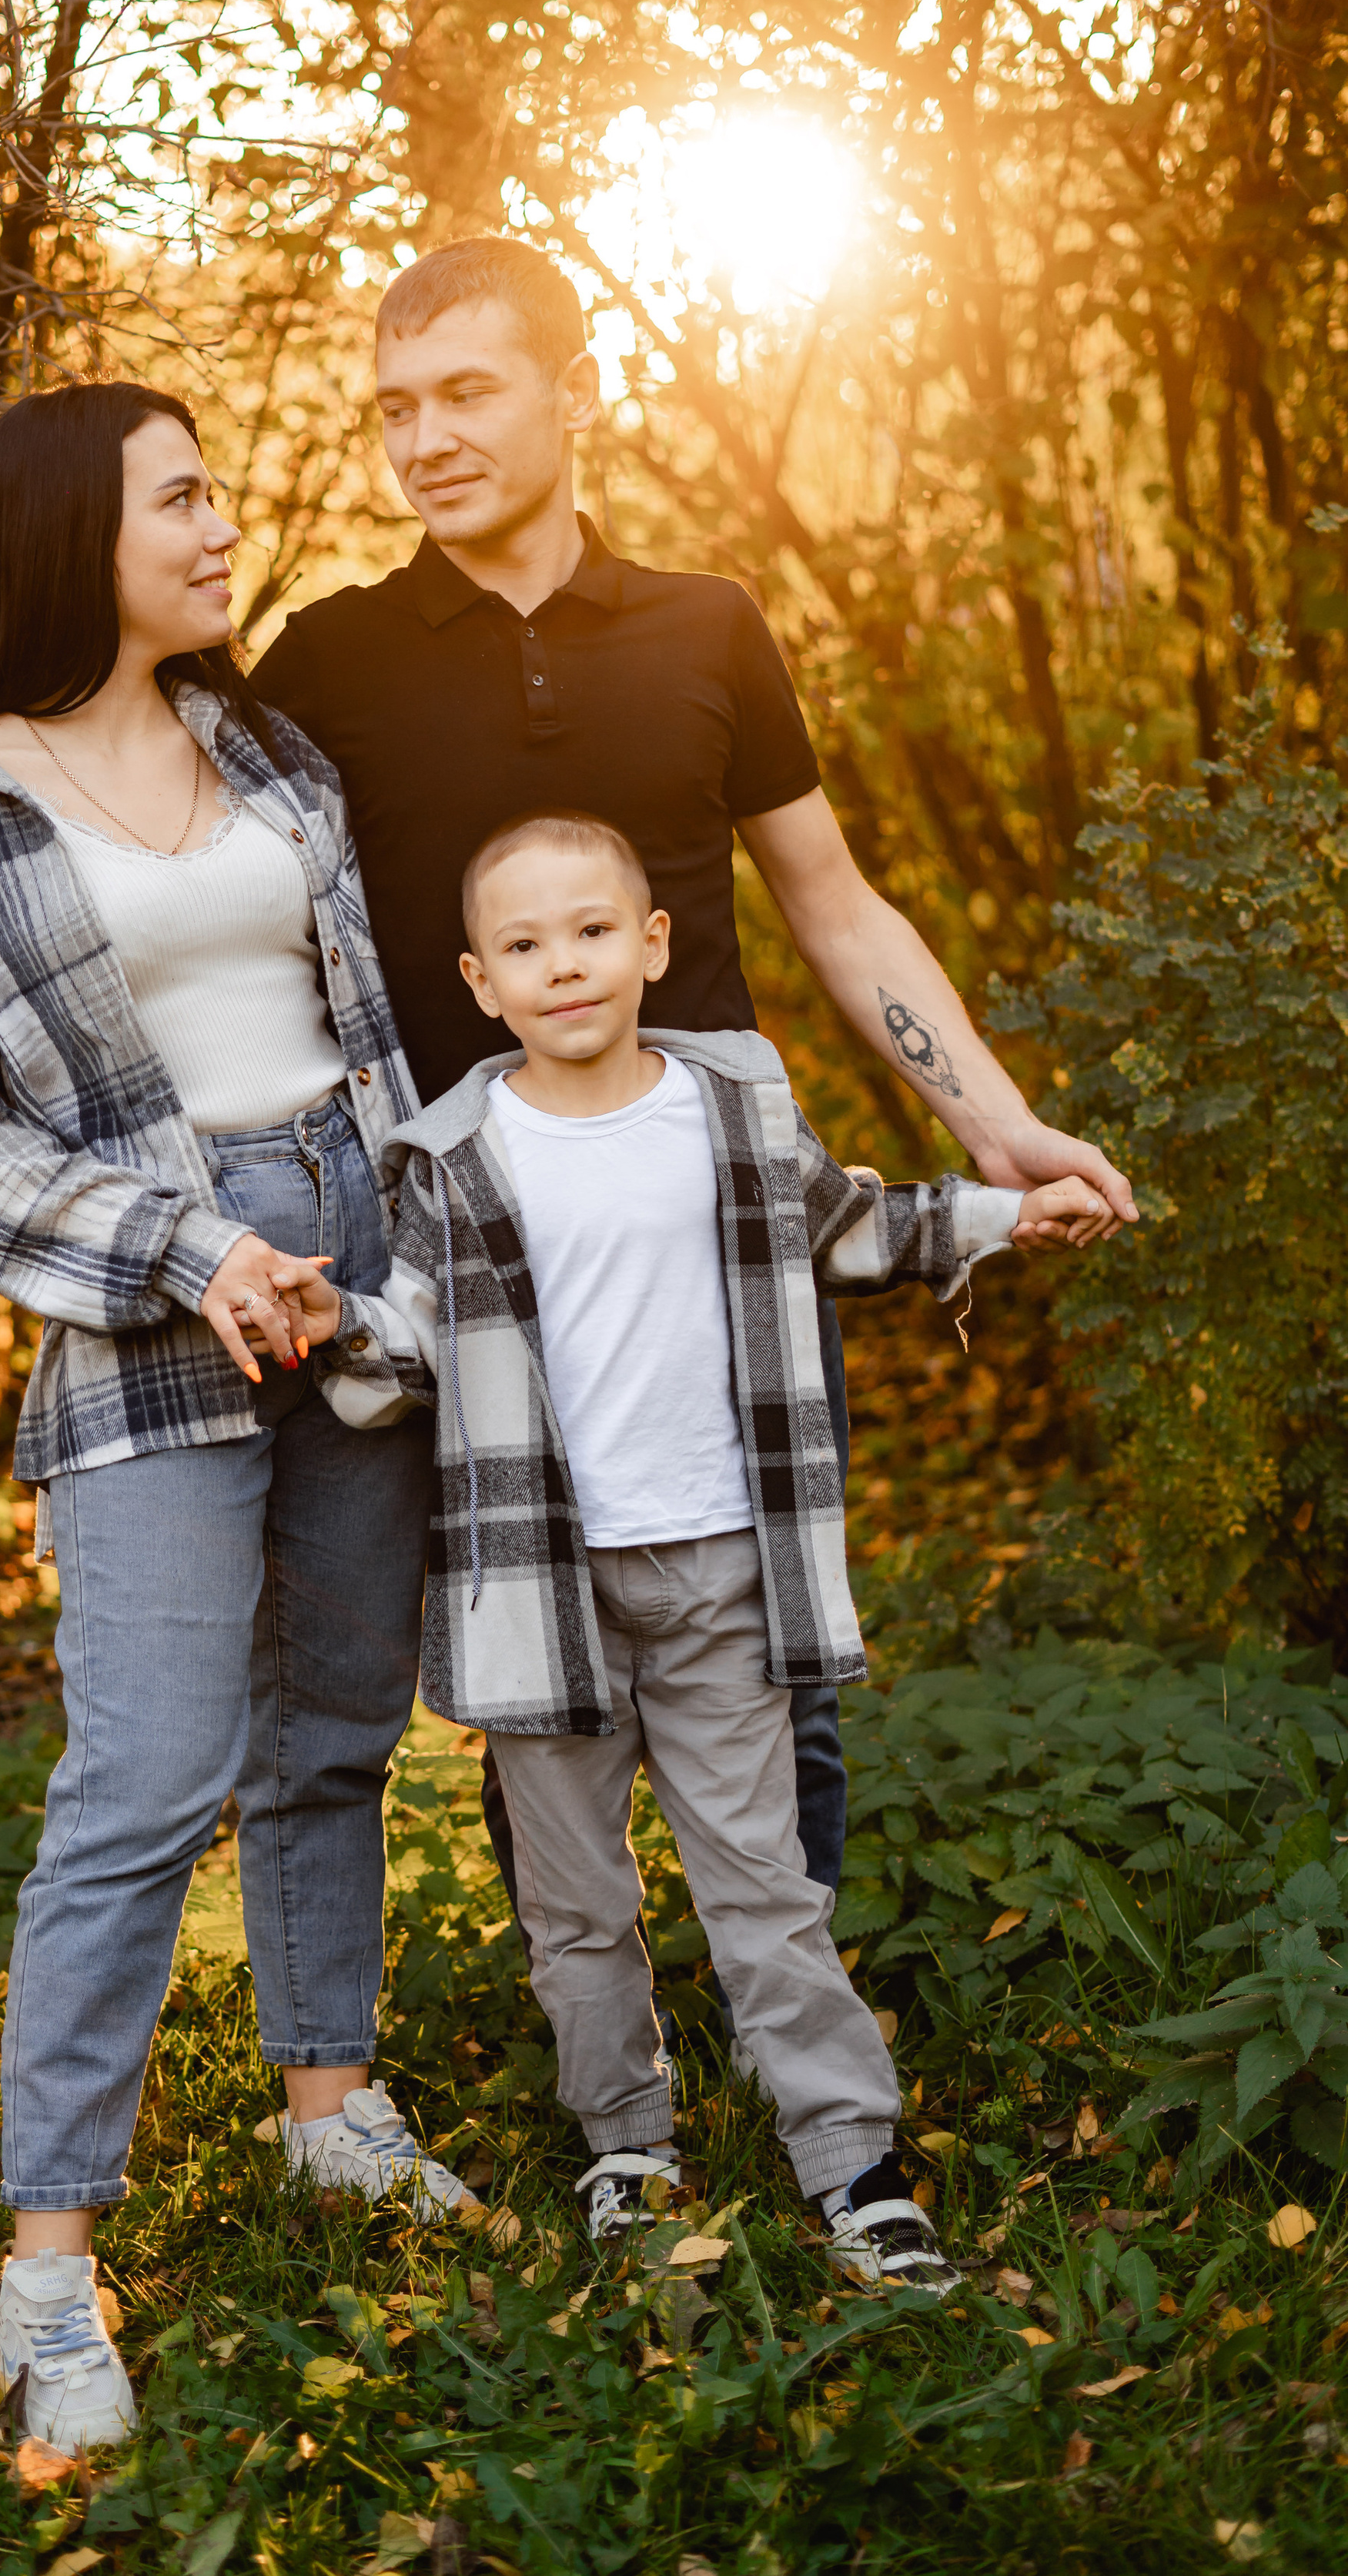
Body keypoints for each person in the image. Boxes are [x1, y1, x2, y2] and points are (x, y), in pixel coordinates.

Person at [251, 234, 1137, 1952]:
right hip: (489, 1228)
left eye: (466, 392)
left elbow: (829, 898)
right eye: (394, 409)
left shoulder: (704, 626)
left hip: (715, 1201)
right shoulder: (329, 662)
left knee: (767, 1622)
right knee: (530, 1630)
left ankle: (784, 2013)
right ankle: (602, 2055)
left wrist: (992, 1124)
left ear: (573, 396)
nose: (424, 437)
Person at [0, 383, 470, 2456]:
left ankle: (328, 2098)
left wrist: (371, 1246)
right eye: (181, 498)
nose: (224, 526)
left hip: (346, 1251)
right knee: (145, 1769)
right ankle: (48, 2266)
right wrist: (186, 1253)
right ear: (65, 535)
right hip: (148, 1290)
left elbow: (360, 1020)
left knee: (341, 1714)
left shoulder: (264, 746)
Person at [287, 810, 1115, 2279]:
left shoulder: (730, 1106)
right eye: (526, 946)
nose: (565, 967)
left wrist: (1006, 1212)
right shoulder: (459, 1152)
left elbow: (854, 1223)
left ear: (654, 942)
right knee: (577, 1901)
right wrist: (330, 1329)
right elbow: (405, 1336)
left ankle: (853, 2160)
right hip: (542, 1586)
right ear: (480, 982)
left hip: (718, 1562)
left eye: (593, 931)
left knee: (762, 1878)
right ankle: (626, 2141)